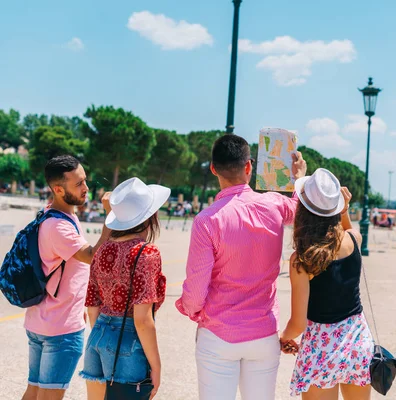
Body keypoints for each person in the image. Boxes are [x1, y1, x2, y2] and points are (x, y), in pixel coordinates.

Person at [176, 134, 307, 400]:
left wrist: (191, 311)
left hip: (218, 331)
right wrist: (299, 178)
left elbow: (196, 290)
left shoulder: (206, 220)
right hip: (263, 332)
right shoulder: (273, 205)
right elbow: (300, 209)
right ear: (249, 166)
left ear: (213, 168)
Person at [22, 155, 112, 400]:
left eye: (84, 181)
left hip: (41, 320)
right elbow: (94, 256)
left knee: (34, 391)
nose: (86, 188)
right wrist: (110, 216)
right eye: (78, 184)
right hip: (60, 329)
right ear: (58, 189)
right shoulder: (59, 227)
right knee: (48, 395)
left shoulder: (51, 214)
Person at [280, 168, 374, 399]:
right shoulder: (354, 240)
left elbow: (298, 323)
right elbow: (350, 229)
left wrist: (284, 338)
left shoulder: (302, 259)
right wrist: (344, 210)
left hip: (321, 349)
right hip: (357, 342)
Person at [79, 178, 169, 400]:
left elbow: (92, 306)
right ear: (149, 217)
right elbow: (142, 319)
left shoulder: (102, 251)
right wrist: (156, 367)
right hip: (127, 339)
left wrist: (103, 336)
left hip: (97, 335)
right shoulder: (146, 253)